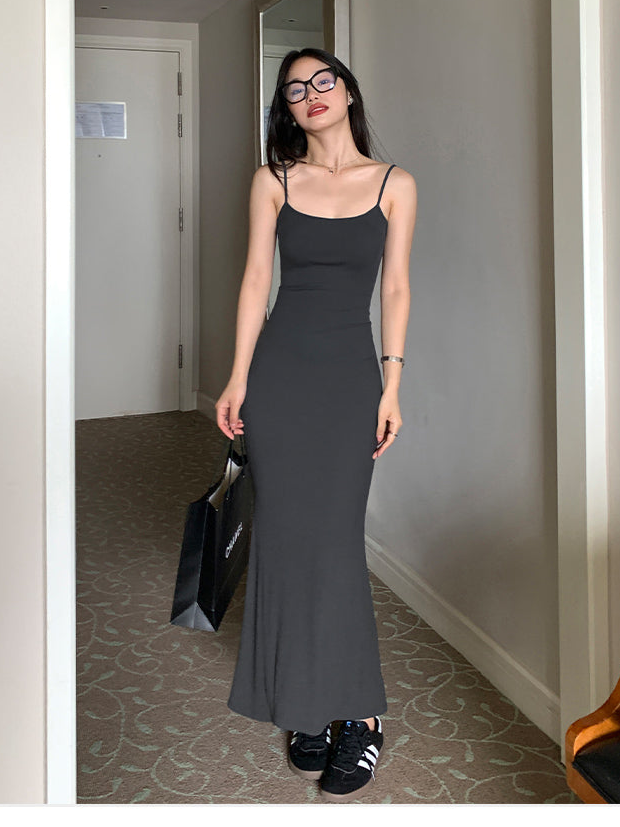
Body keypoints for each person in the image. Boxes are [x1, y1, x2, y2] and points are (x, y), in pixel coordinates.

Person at [215, 47, 416, 802]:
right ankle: (304, 704)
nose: (311, 94)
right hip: (280, 377)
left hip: (349, 382)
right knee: (284, 537)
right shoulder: (274, 180)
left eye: (323, 81)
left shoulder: (395, 185)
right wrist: (237, 377)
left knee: (333, 542)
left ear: (347, 92)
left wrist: (392, 385)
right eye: (296, 88)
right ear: (287, 108)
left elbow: (395, 289)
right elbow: (255, 280)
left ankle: (359, 714)